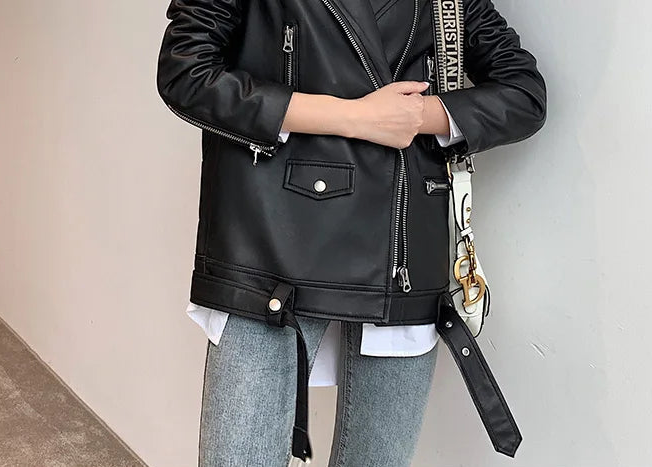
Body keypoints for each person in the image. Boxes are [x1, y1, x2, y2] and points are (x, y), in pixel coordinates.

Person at [156, 0, 546, 465]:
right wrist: (354, 117)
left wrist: (420, 115)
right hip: (272, 246)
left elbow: (524, 93)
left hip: (401, 256)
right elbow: (187, 70)